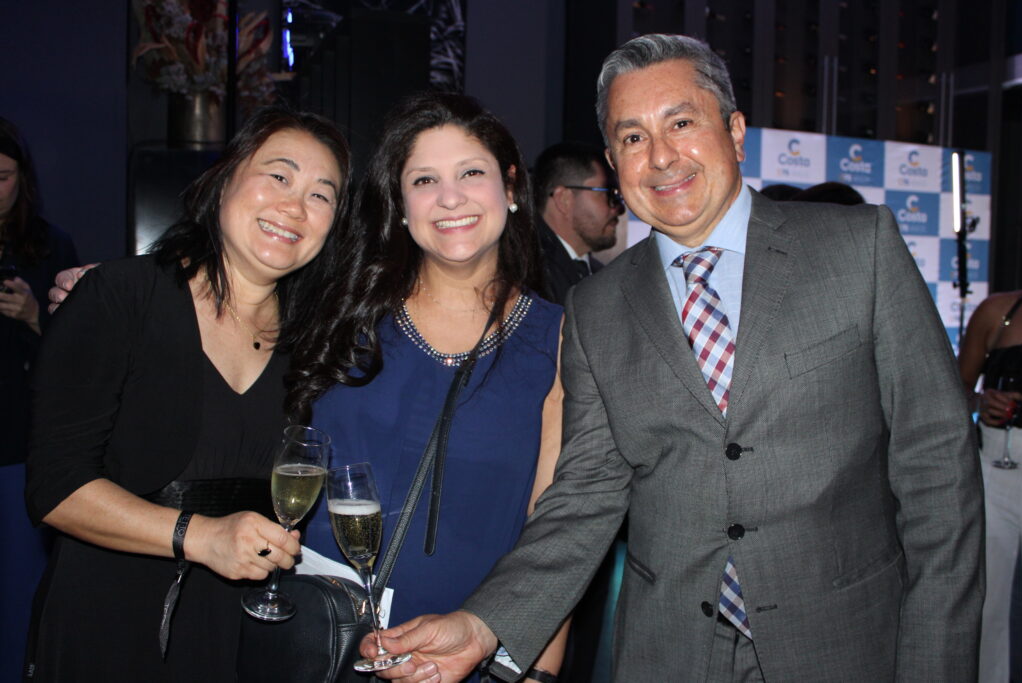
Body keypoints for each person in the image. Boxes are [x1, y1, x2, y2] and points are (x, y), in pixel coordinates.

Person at [366, 33, 983, 683]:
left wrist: (935, 664)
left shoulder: (861, 250)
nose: (661, 156)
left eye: (681, 123)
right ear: (612, 161)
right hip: (671, 654)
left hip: (848, 646)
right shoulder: (596, 309)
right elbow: (584, 497)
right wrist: (484, 621)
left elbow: (939, 472)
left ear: (736, 131)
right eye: (632, 138)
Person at [23, 106, 350, 681]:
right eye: (279, 175)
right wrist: (199, 536)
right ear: (225, 178)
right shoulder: (123, 296)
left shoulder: (313, 344)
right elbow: (54, 489)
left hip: (241, 630)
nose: (295, 206)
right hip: (111, 620)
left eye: (322, 195)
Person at [288, 92, 568, 683]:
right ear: (400, 203)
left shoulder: (561, 340)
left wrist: (537, 671)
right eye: (424, 180)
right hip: (318, 644)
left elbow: (558, 520)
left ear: (511, 189)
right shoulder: (341, 311)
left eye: (471, 173)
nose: (450, 198)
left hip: (469, 661)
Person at [0, 116, 79, 679]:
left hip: (17, 441)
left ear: (21, 179)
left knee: (17, 587)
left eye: (1, 176)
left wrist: (33, 316)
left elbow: (81, 356)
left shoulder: (50, 246)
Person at [959, 289, 1022, 683]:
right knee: (990, 600)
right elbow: (955, 386)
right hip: (997, 467)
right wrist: (983, 402)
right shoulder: (998, 312)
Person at [532, 142, 624, 305]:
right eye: (608, 193)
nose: (619, 208)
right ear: (564, 199)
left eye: (617, 196)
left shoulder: (601, 276)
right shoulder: (527, 276)